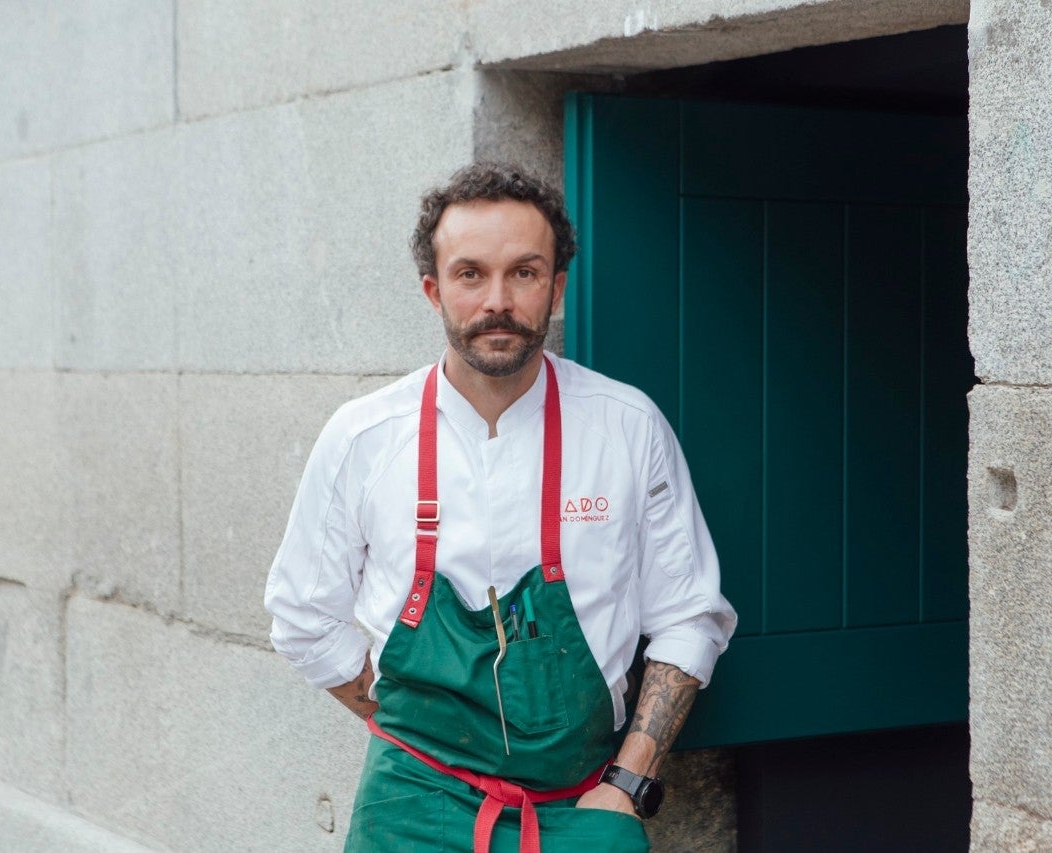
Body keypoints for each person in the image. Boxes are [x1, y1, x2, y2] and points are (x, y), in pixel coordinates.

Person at [264, 163, 736, 852]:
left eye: (524, 272)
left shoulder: (627, 427)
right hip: (410, 804)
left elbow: (690, 614)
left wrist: (626, 786)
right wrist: (409, 733)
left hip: (583, 803)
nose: (498, 299)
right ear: (433, 290)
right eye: (470, 274)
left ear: (557, 285)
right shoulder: (364, 437)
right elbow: (302, 614)